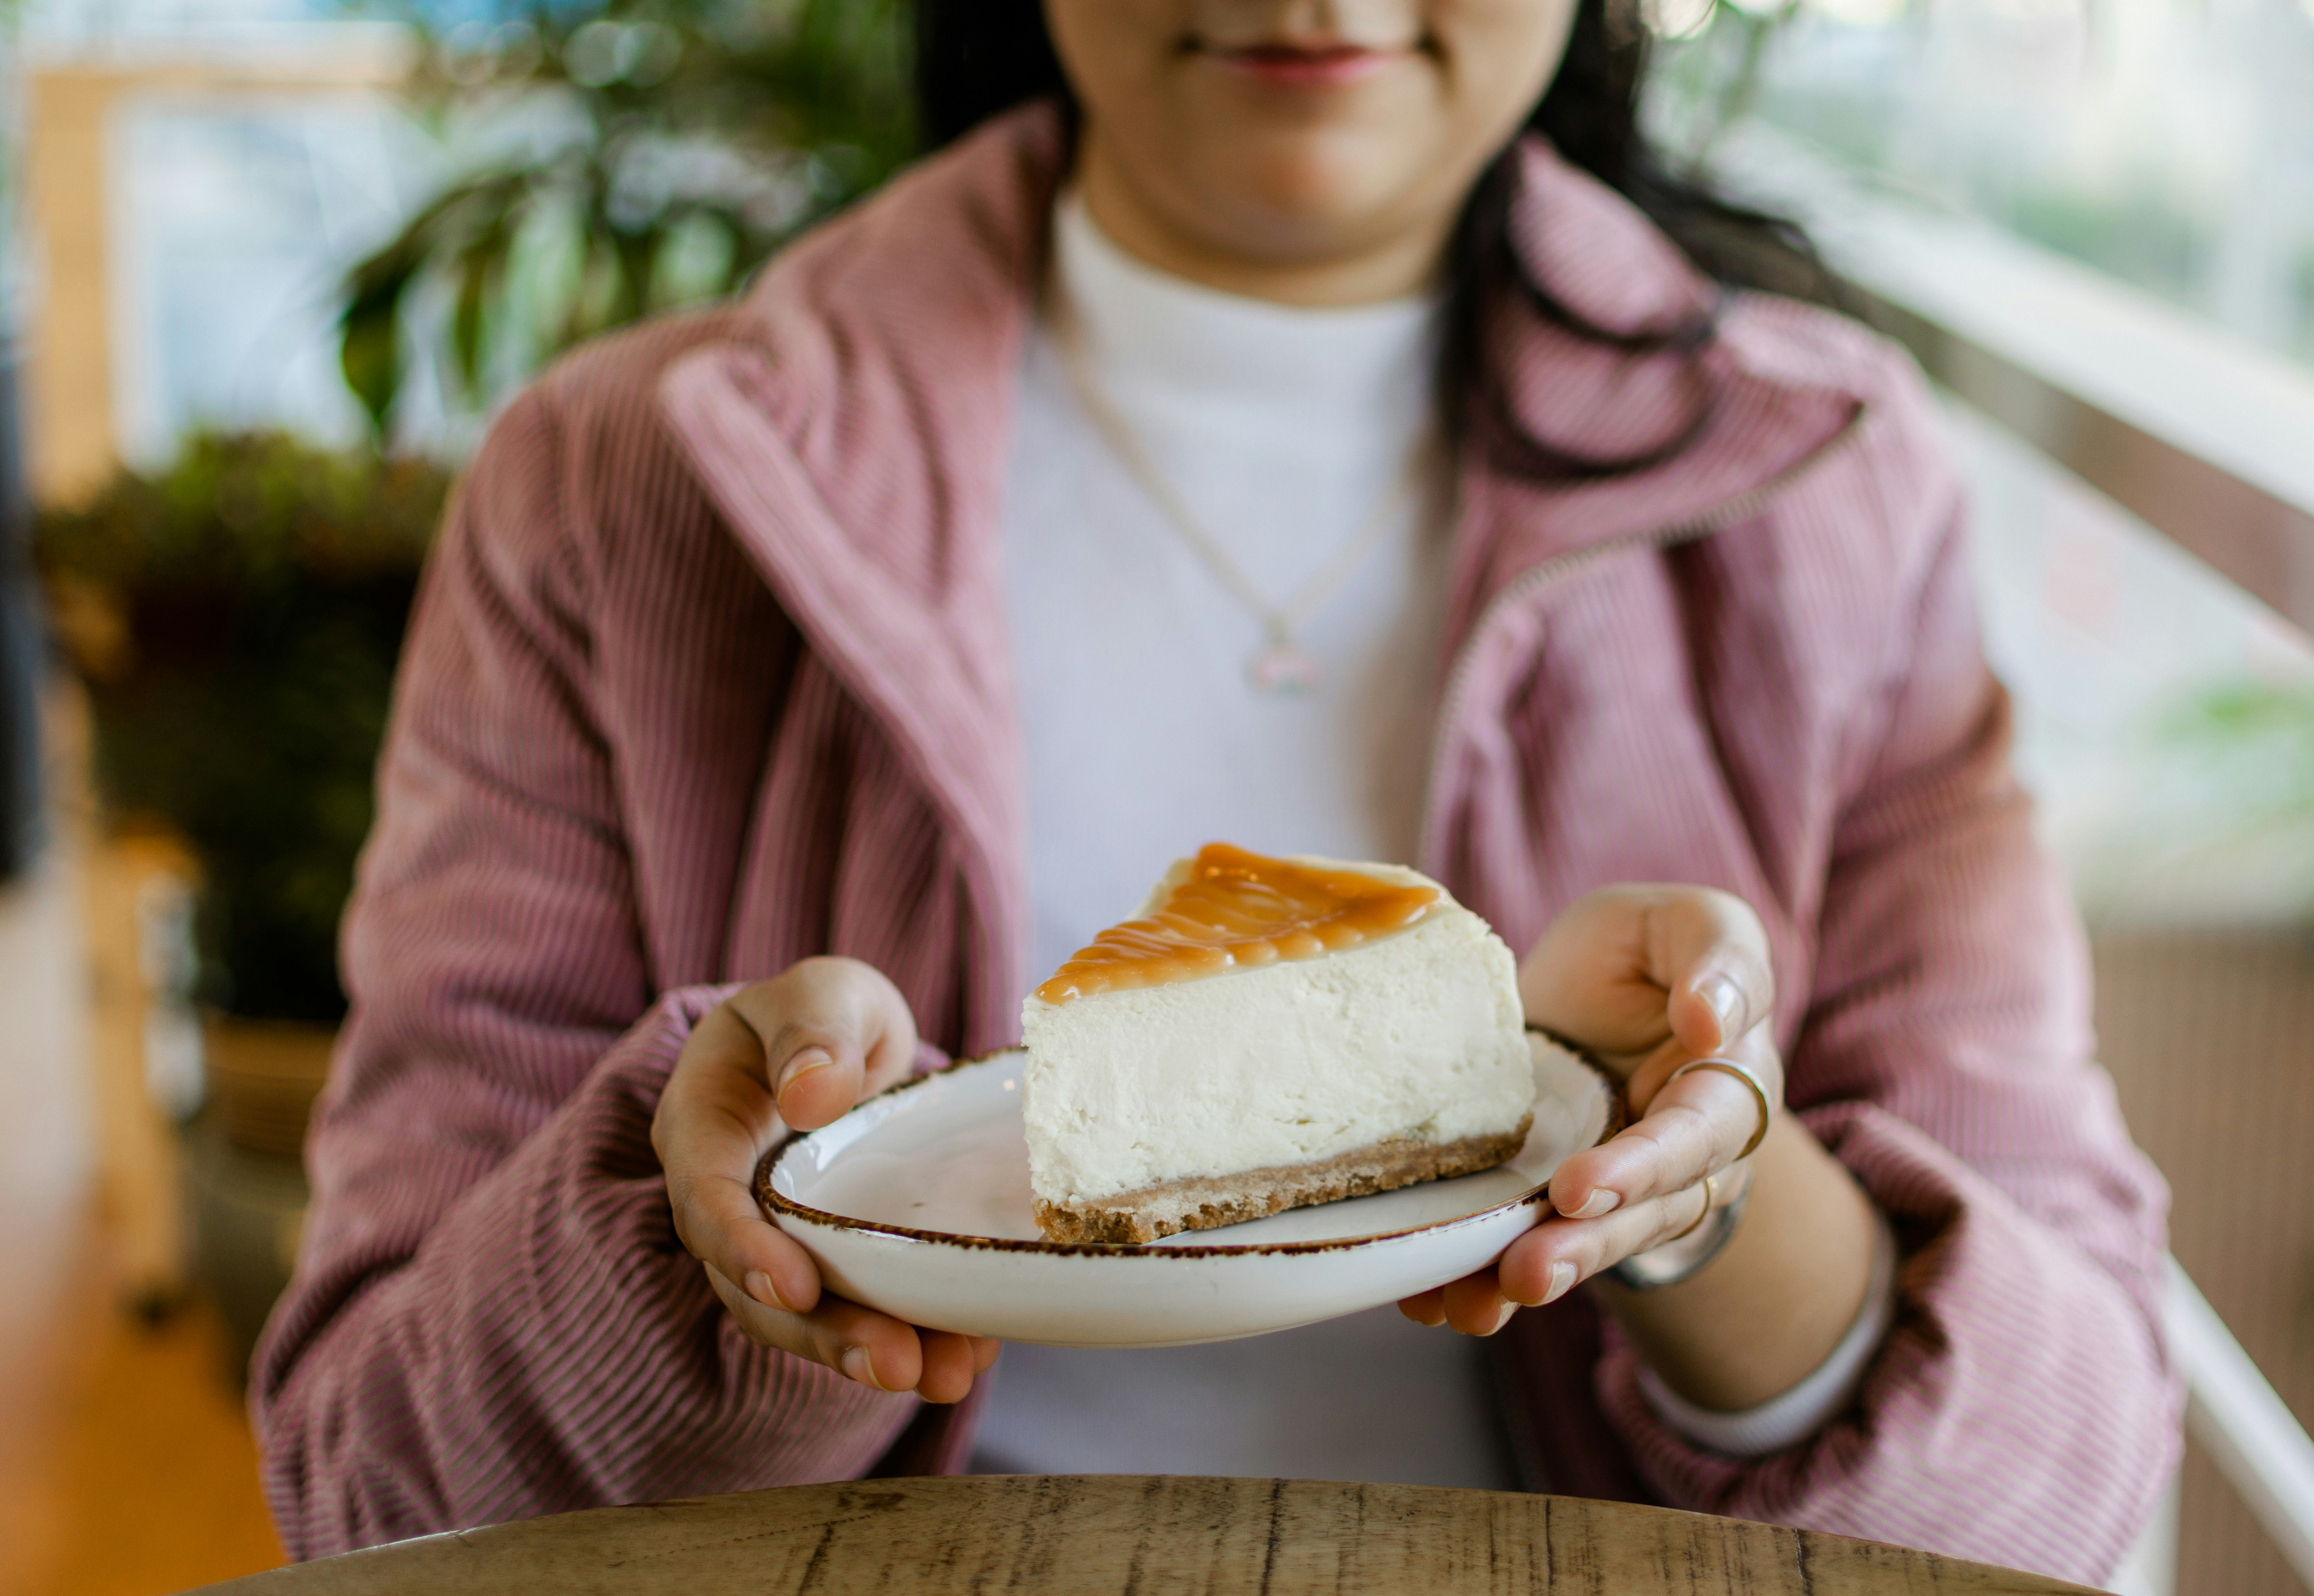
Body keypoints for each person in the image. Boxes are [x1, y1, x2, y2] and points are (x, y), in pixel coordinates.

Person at [251, 0, 2180, 1583]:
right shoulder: (626, 485)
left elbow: (2063, 1494)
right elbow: (372, 1498)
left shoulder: (1830, 491)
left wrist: (1686, 1182)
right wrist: (716, 1243)